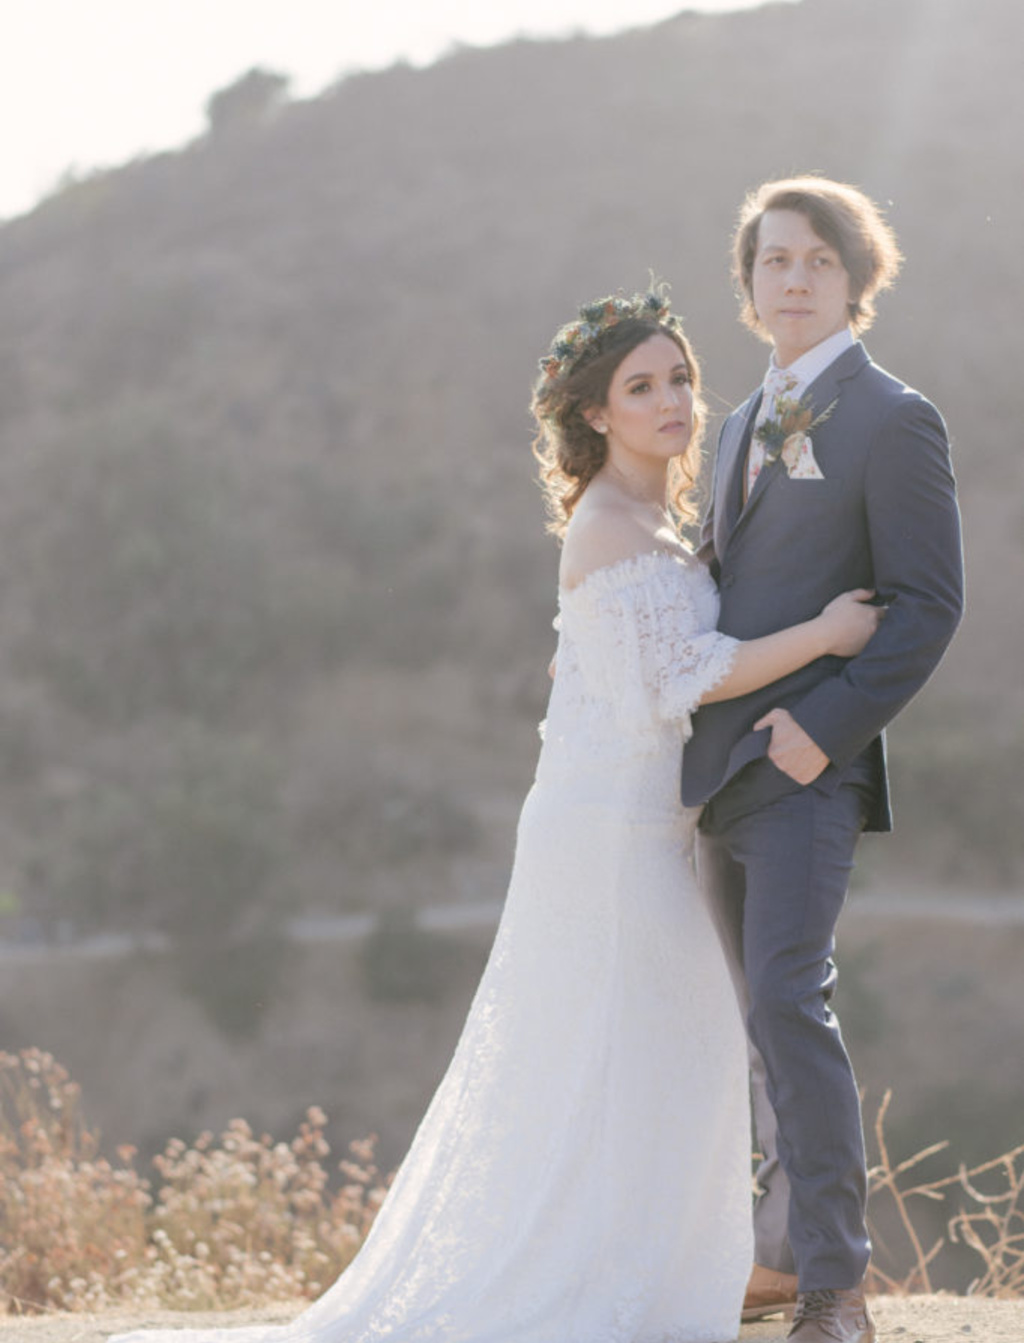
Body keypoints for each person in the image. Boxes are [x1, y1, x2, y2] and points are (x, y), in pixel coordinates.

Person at [109, 287, 881, 1343]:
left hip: (648, 824)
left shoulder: (663, 520)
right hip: (605, 834)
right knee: (611, 1046)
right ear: (597, 413)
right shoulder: (610, 526)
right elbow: (691, 674)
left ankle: (654, 1266)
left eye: (681, 378)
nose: (673, 400)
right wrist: (830, 632)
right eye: (642, 386)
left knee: (668, 1045)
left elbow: (619, 657)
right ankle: (577, 1276)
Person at [683, 177, 964, 1343]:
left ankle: (837, 1282)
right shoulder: (739, 422)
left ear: (854, 278)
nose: (791, 279)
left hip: (807, 770)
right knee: (743, 1015)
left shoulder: (893, 417)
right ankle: (773, 1254)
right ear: (747, 287)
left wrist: (823, 727)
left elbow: (927, 605)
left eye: (815, 260)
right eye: (772, 261)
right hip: (712, 774)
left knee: (792, 1002)